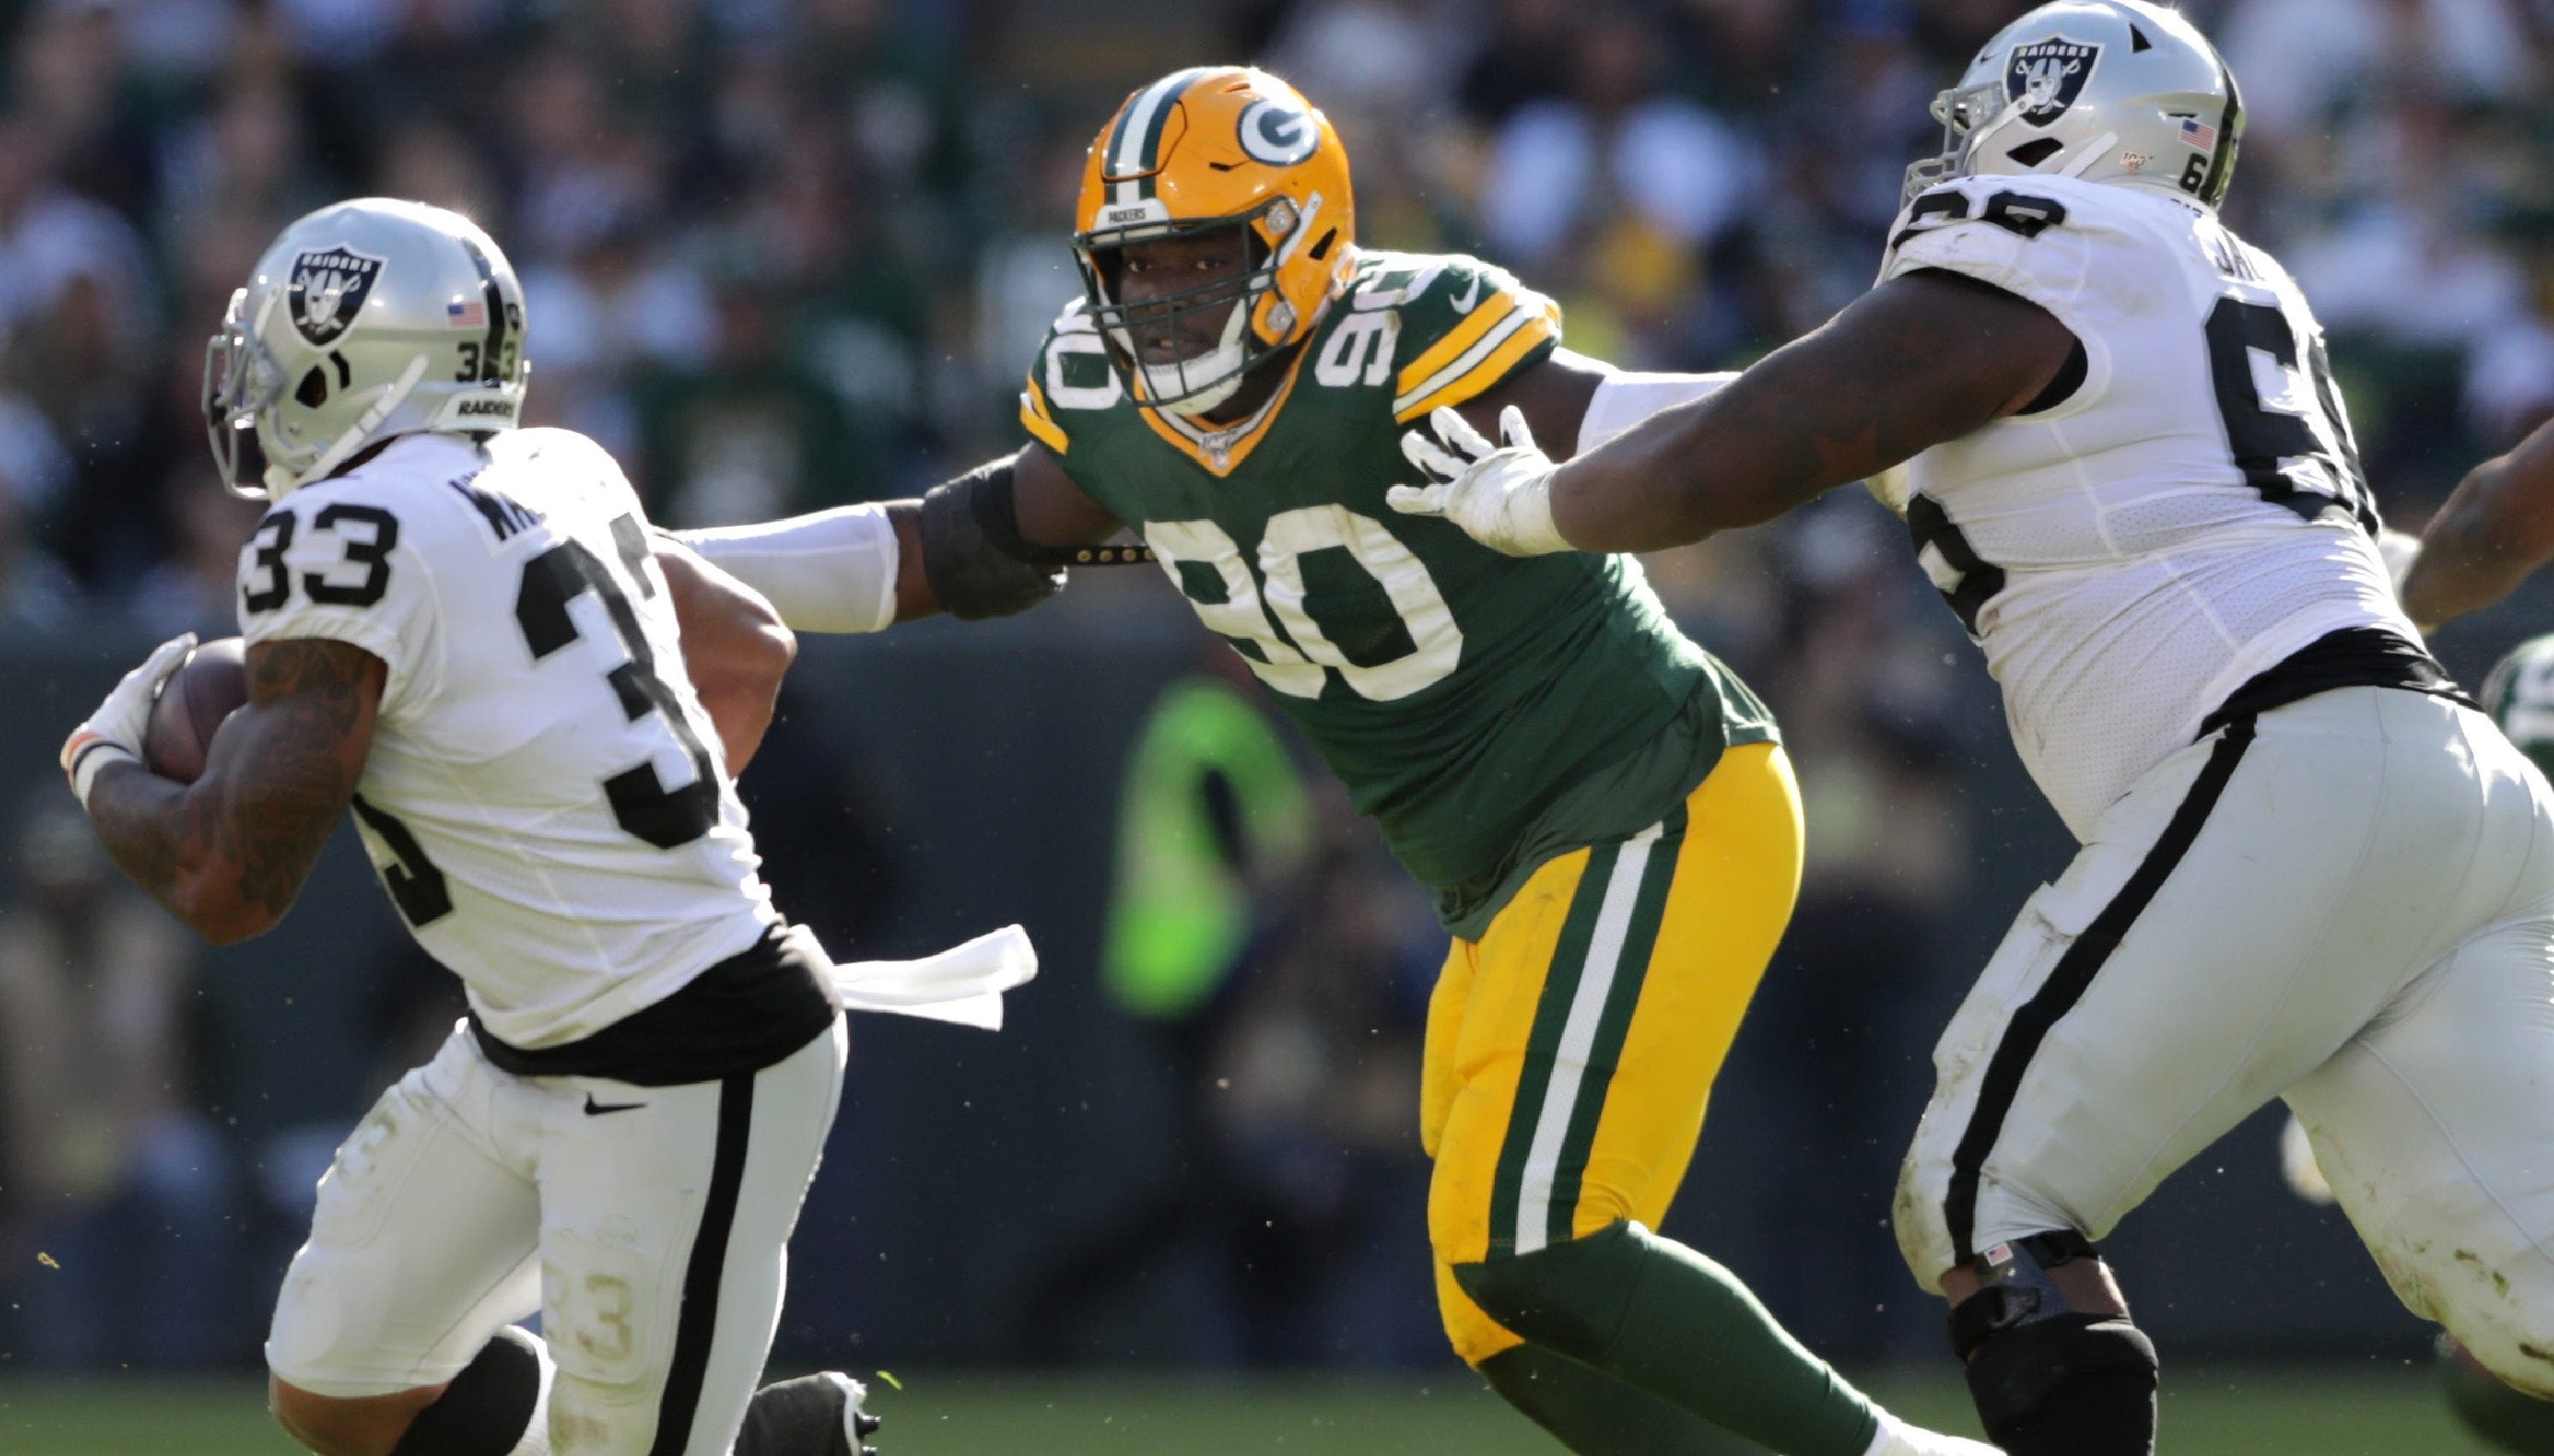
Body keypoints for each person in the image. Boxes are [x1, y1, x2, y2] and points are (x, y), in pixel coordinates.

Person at [684, 65, 1994, 1456]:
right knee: (1504, 1316)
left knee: (1533, 1247)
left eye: (1201, 259)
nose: (1164, 300)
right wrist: (662, 564)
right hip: (1498, 874)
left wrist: (1881, 418)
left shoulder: (1404, 335)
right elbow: (954, 548)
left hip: (1648, 794)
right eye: (1136, 268)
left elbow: (1652, 428)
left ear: (1302, 240)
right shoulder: (1109, 398)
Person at [1387, 3, 2554, 1454]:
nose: (1949, 151)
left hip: (2279, 758)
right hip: (2453, 786)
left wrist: (1535, 511)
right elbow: (1708, 405)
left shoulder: (2048, 245)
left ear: (2064, 118)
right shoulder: (2196, 288)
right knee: (2534, 1305)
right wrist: (1415, 397)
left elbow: (1732, 458)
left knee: (1979, 1196)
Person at [60, 198, 878, 1456]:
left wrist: (101, 762)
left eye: (280, 348)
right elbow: (752, 652)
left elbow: (225, 883)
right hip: (521, 1041)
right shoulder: (562, 465)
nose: (257, 383)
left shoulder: (336, 533)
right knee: (339, 1382)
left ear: (357, 362)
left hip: (689, 1049)